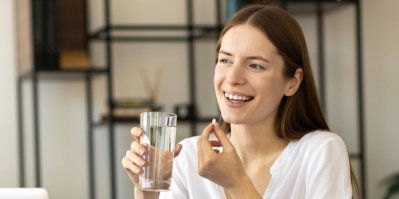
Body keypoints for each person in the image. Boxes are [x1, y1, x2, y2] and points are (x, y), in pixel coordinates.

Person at [122, 3, 359, 199]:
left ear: (292, 82)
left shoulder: (320, 151)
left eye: (255, 65)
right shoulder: (187, 158)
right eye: (225, 60)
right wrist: (146, 191)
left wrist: (237, 184)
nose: (233, 78)